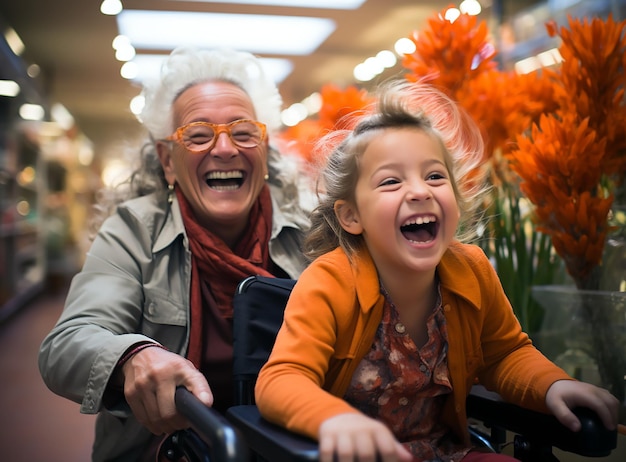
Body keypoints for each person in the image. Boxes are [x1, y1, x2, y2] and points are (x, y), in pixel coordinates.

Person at [255, 80, 619, 462]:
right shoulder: (329, 282)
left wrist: (553, 385)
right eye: (391, 181)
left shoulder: (472, 271)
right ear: (351, 216)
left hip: (443, 453)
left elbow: (505, 354)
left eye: (434, 176)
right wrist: (334, 420)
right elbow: (282, 379)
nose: (420, 191)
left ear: (456, 202)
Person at [38, 47, 314, 461]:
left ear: (265, 148)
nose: (224, 149)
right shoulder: (134, 230)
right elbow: (66, 344)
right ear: (168, 161)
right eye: (199, 135)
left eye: (243, 132)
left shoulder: (312, 230)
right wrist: (132, 356)